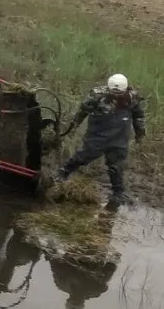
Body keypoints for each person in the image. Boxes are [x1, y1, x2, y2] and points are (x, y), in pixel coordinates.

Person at [58, 73, 146, 210]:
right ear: (108, 87)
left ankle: (118, 193)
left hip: (119, 138)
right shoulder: (97, 95)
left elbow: (139, 117)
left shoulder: (132, 99)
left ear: (125, 89)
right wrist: (74, 126)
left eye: (119, 92)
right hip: (97, 135)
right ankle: (62, 173)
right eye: (113, 92)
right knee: (82, 156)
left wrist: (140, 134)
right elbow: (82, 111)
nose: (116, 95)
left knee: (116, 166)